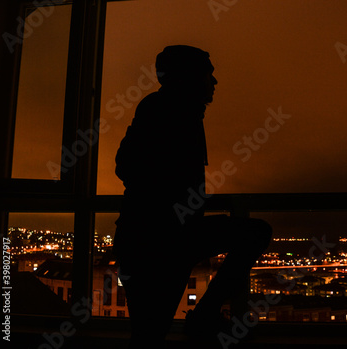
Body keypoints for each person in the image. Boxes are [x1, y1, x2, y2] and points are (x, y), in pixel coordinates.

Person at [113, 45, 272, 348]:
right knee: (149, 335)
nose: (214, 82)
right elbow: (130, 167)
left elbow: (129, 167)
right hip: (161, 240)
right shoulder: (166, 111)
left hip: (158, 239)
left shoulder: (167, 110)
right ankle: (205, 316)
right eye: (207, 75)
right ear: (188, 78)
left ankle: (205, 316)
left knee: (149, 334)